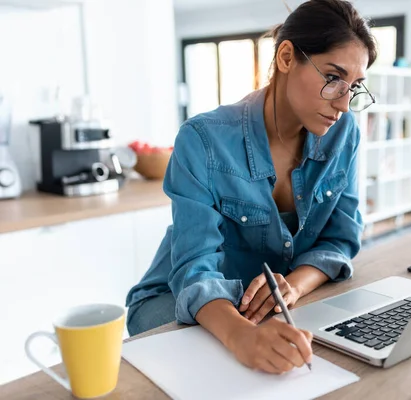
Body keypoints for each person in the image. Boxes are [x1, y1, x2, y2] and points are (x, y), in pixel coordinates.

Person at [125, 0, 378, 374]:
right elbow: (195, 269)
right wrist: (243, 336)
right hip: (181, 302)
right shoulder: (203, 140)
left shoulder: (344, 134)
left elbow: (341, 238)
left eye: (353, 86)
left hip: (267, 307)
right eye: (332, 78)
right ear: (287, 56)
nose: (343, 103)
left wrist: (293, 286)